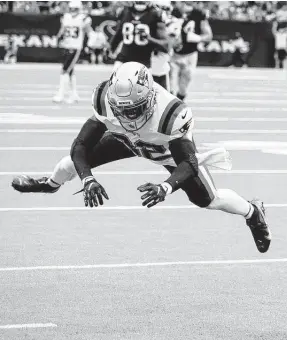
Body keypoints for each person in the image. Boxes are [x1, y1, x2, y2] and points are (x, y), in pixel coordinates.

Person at [12, 62, 271, 254]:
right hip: (126, 140)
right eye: (121, 109)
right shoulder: (104, 96)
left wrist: (165, 186)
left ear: (150, 97)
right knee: (71, 164)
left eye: (134, 109)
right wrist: (88, 179)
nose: (128, 116)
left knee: (209, 200)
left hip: (164, 149)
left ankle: (252, 212)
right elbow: (80, 144)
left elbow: (189, 164)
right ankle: (50, 184)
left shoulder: (171, 113)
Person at [109, 1, 168, 72]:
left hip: (144, 62)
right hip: (123, 59)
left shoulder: (156, 14)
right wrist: (110, 48)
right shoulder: (125, 11)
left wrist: (150, 39)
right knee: (116, 82)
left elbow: (165, 44)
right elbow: (118, 35)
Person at [53, 0, 93, 103]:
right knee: (70, 72)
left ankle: (61, 94)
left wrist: (90, 44)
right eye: (71, 9)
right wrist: (58, 37)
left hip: (75, 48)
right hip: (67, 46)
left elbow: (90, 32)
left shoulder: (83, 19)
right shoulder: (66, 17)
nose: (73, 11)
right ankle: (74, 94)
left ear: (79, 9)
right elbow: (62, 29)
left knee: (64, 70)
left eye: (75, 9)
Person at [169, 6, 212, 101]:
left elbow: (209, 36)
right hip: (173, 54)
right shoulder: (172, 10)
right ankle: (169, 108)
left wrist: (197, 38)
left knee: (183, 88)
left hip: (190, 55)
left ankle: (178, 105)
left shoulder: (199, 14)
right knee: (169, 86)